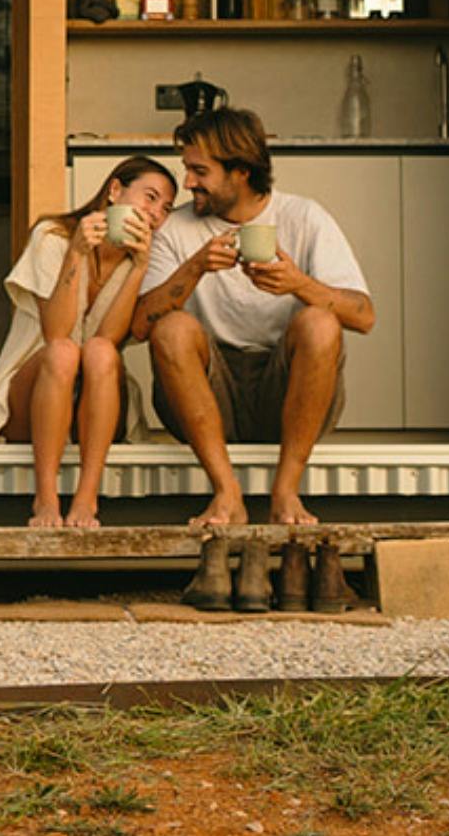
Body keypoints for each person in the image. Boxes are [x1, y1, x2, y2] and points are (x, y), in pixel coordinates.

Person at [133, 108, 374, 527]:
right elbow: (138, 327)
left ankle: (285, 492)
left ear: (241, 172)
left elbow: (365, 316)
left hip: (285, 390)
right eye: (186, 169)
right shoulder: (177, 228)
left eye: (199, 171)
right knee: (171, 328)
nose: (187, 182)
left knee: (319, 322)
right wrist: (193, 269)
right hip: (208, 390)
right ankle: (227, 494)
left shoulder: (304, 217)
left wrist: (298, 283)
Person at [0, 155, 180, 528]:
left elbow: (108, 341)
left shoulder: (139, 258)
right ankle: (46, 500)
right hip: (35, 395)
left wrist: (139, 267)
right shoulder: (54, 236)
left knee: (101, 350)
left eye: (166, 208)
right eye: (150, 197)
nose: (156, 213)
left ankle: (86, 499)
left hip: (97, 402)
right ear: (114, 191)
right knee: (62, 352)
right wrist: (77, 251)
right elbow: (56, 333)